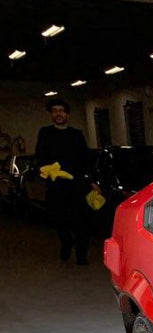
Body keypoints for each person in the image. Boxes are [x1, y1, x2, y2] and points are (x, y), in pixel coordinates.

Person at [34, 97, 96, 265]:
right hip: (56, 185)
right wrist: (45, 171)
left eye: (61, 110)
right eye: (55, 111)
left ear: (67, 114)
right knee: (59, 220)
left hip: (77, 186)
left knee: (81, 221)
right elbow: (40, 157)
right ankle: (67, 242)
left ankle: (82, 255)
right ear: (51, 114)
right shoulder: (45, 133)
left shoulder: (76, 135)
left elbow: (85, 160)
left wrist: (91, 181)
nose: (58, 114)